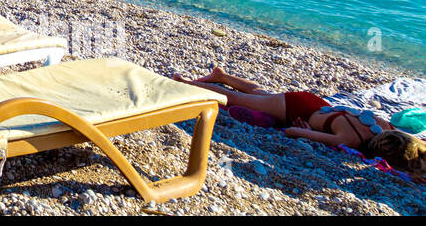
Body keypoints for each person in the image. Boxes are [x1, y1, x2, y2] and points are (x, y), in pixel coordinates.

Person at [171, 66, 426, 178]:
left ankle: (222, 75)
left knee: (260, 94)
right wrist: (306, 131)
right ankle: (184, 84)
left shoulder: (386, 125)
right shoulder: (350, 140)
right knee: (234, 99)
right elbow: (293, 132)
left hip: (316, 102)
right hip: (295, 109)